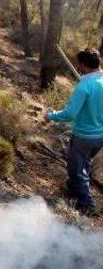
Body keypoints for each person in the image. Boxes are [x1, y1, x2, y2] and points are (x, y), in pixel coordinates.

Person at [47, 49, 103, 215]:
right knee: (84, 163)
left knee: (76, 169)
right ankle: (73, 188)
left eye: (80, 64)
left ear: (83, 65)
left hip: (84, 136)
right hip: (100, 136)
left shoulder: (85, 85)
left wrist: (51, 115)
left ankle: (87, 204)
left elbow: (70, 114)